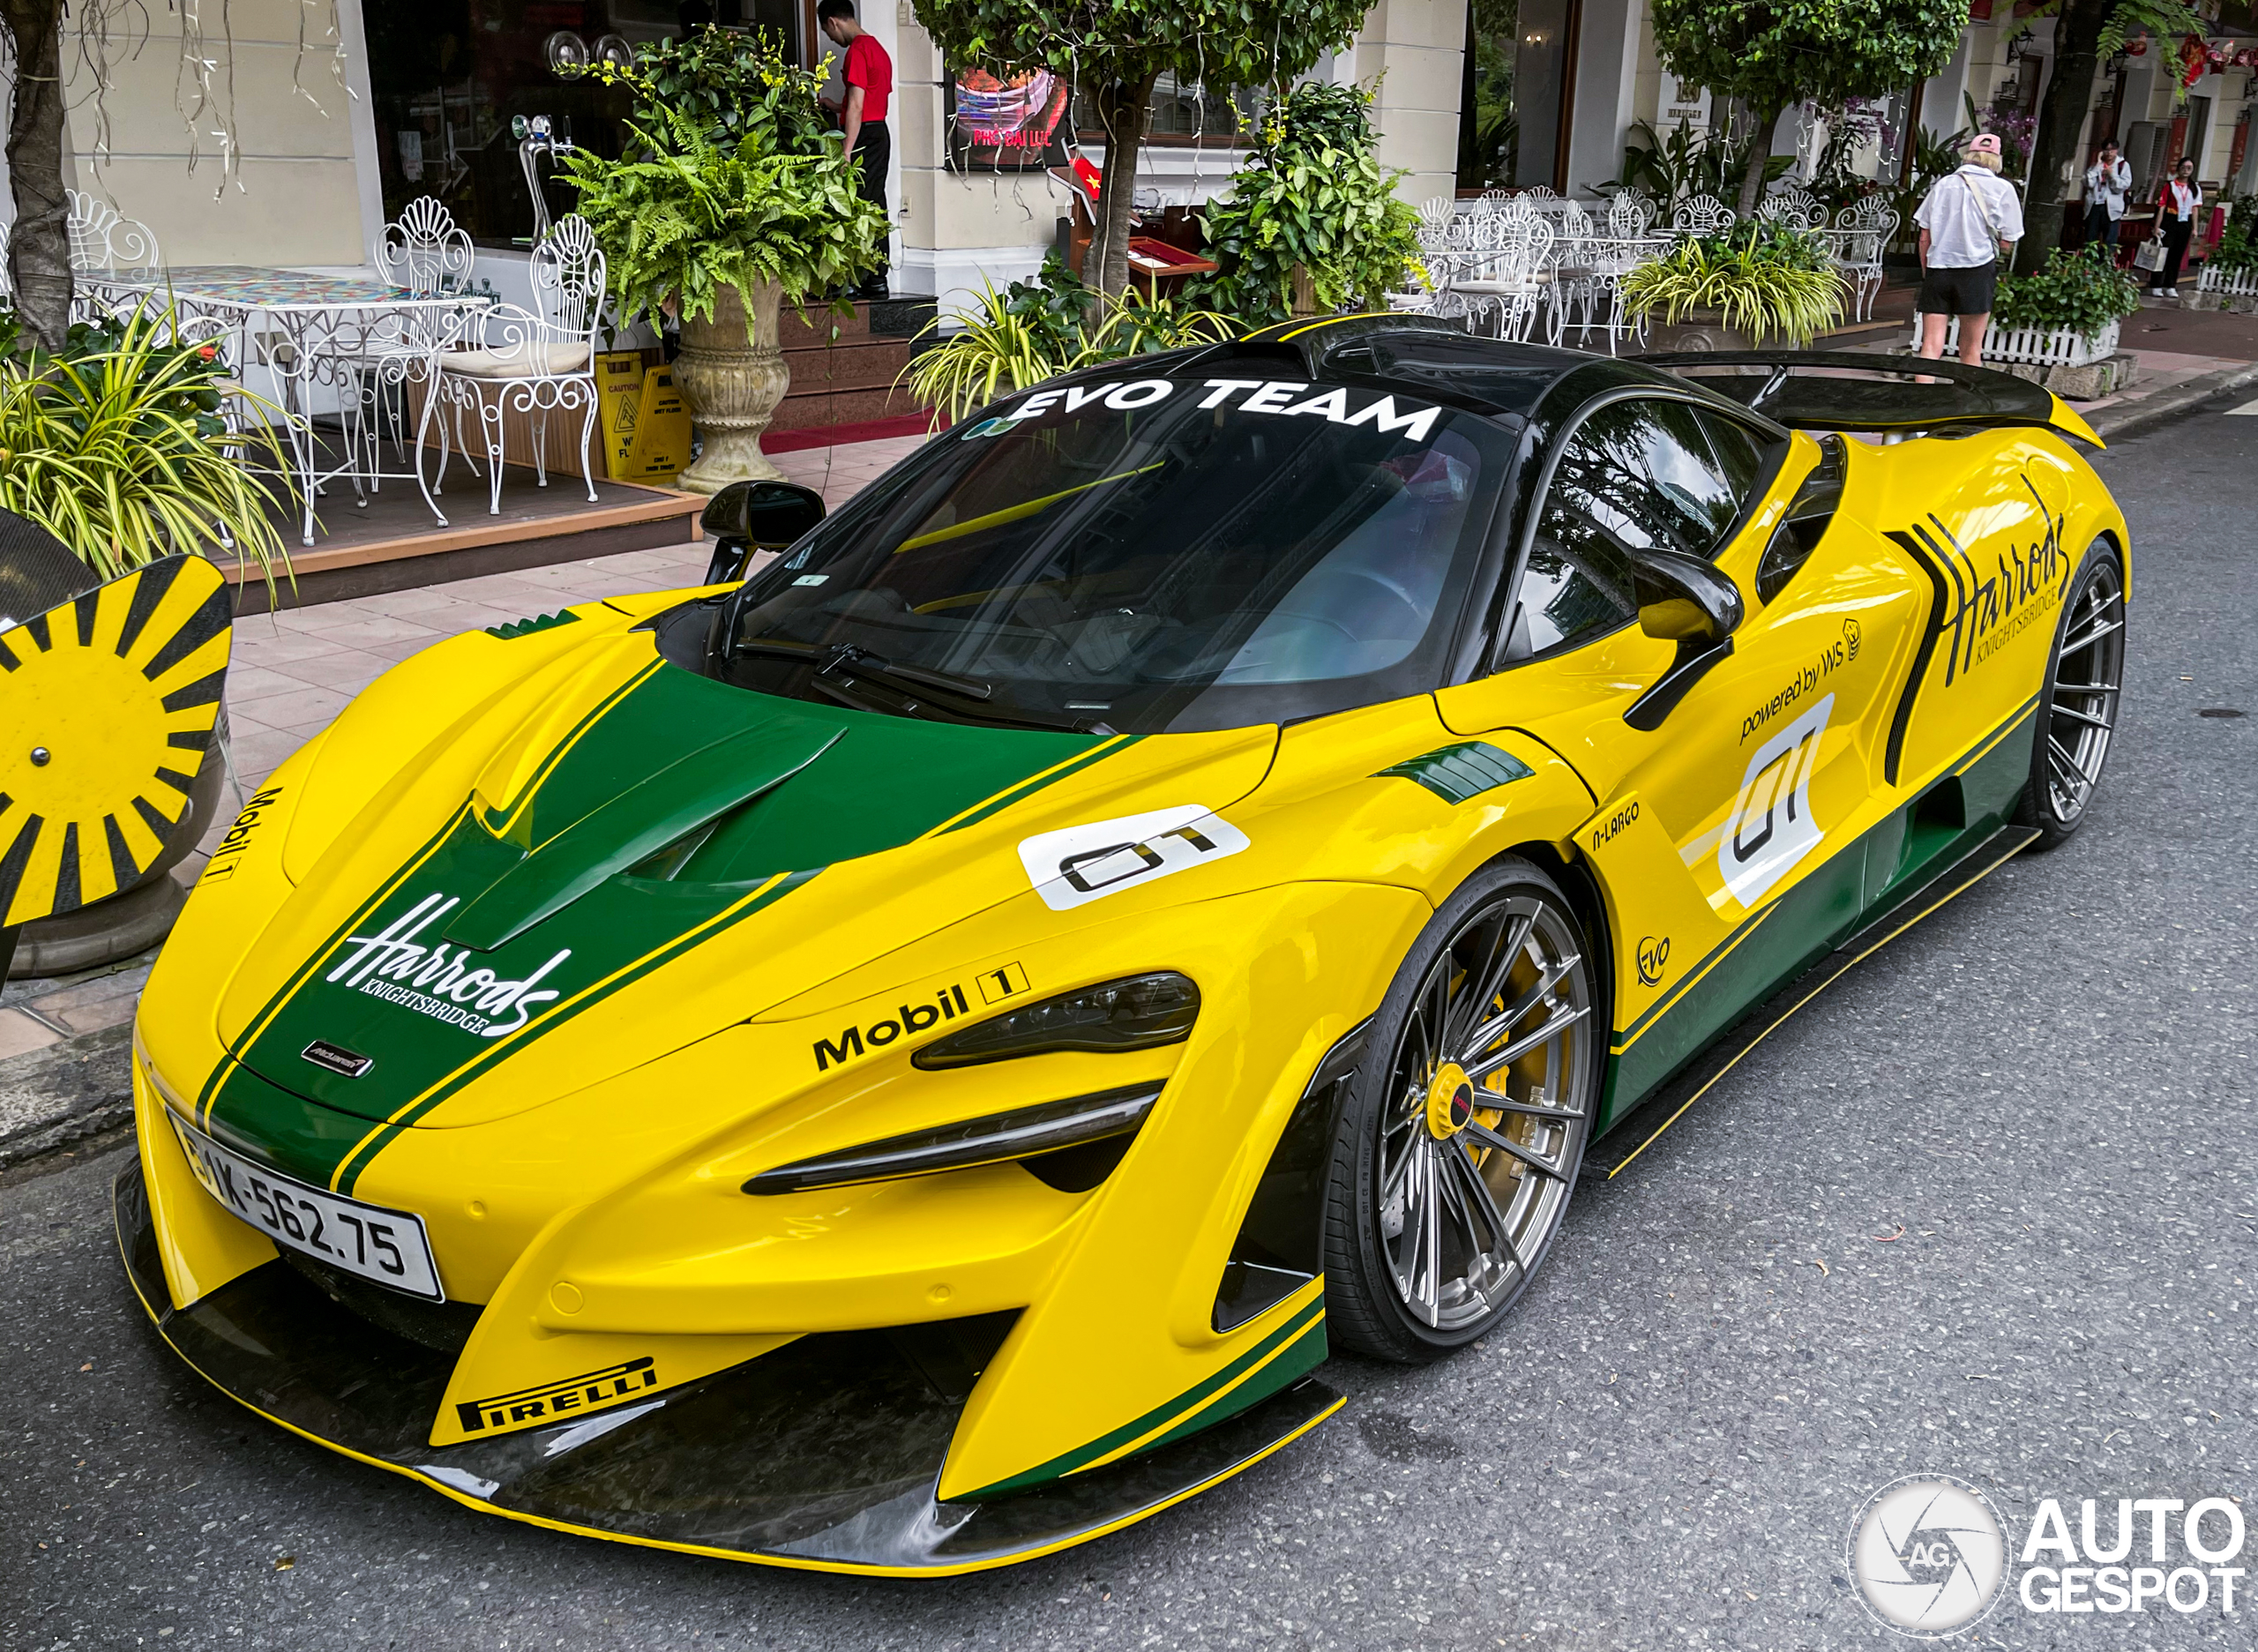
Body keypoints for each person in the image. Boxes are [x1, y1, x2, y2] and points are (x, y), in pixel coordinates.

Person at [1912, 132, 2024, 367]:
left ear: (1969, 156)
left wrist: (1927, 270)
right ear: (1997, 159)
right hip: (1977, 270)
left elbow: (1925, 235)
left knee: (1930, 346)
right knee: (1971, 350)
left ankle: (1924, 397)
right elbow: (2007, 241)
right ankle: (1966, 401)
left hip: (1939, 268)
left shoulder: (1943, 184)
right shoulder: (2003, 189)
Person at [818, 0, 891, 301]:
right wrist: (837, 106)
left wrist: (846, 150)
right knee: (875, 203)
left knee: (851, 205)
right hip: (878, 132)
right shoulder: (879, 49)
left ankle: (846, 281)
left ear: (833, 22)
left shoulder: (857, 51)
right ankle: (875, 279)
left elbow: (859, 104)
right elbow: (868, 100)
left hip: (863, 136)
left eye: (827, 32)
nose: (831, 39)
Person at [2149, 156, 2203, 298]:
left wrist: (2195, 228)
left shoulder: (2195, 188)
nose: (2186, 171)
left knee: (2177, 255)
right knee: (2163, 253)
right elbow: (2162, 207)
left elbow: (2195, 209)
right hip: (2170, 220)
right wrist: (2157, 226)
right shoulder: (2170, 186)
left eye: (2189, 168)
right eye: (2183, 167)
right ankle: (2156, 284)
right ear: (2178, 169)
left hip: (2185, 222)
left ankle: (2170, 285)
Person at [2084, 140, 2131, 253]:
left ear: (2117, 150)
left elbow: (2123, 186)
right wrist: (2097, 165)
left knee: (2109, 240)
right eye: (2107, 150)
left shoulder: (2122, 165)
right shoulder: (2097, 164)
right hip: (2095, 204)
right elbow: (2088, 183)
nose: (2109, 153)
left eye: (2112, 150)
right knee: (2091, 238)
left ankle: (2106, 265)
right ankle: (2088, 266)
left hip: (2112, 207)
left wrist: (2112, 175)